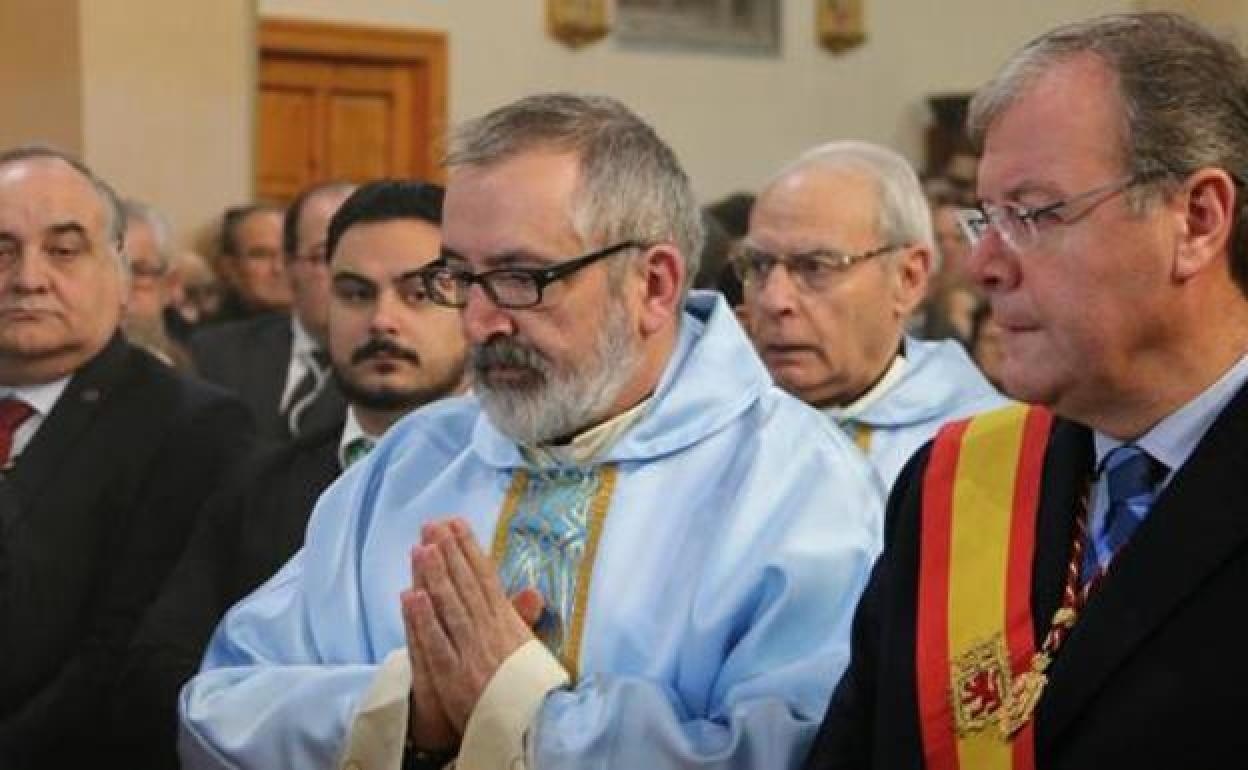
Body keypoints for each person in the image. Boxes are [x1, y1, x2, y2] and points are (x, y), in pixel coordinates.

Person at [179, 92, 883, 770]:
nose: (481, 322)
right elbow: (219, 706)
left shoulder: (798, 484)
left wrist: (521, 712)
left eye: (520, 278)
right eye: (459, 277)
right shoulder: (412, 463)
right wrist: (405, 710)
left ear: (656, 285)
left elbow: (800, 749)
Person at [804, 12, 1248, 769]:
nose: (982, 268)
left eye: (1035, 214)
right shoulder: (954, 482)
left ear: (1198, 221)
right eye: (986, 217)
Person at [115, 180, 467, 769]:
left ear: (471, 305)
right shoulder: (259, 482)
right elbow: (163, 666)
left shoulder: (524, 475)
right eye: (355, 293)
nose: (383, 320)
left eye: (418, 294)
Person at [0, 146, 254, 767]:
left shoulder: (193, 427)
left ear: (119, 273)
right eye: (1, 250)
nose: (28, 277)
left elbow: (123, 655)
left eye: (64, 250)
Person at [741, 140, 1005, 491]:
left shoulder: (990, 449)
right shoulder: (714, 428)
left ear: (907, 279)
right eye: (759, 266)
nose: (775, 300)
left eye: (816, 267)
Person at [192, 183, 354, 441]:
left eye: (358, 258)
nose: (346, 275)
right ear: (290, 265)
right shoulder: (214, 354)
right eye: (324, 256)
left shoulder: (399, 369)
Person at [120, 199, 191, 368]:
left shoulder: (212, 367)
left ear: (170, 285)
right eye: (105, 274)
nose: (120, 294)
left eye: (138, 272)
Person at [209, 202, 288, 322]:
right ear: (229, 267)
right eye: (262, 255)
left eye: (289, 253)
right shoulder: (208, 338)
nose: (279, 268)